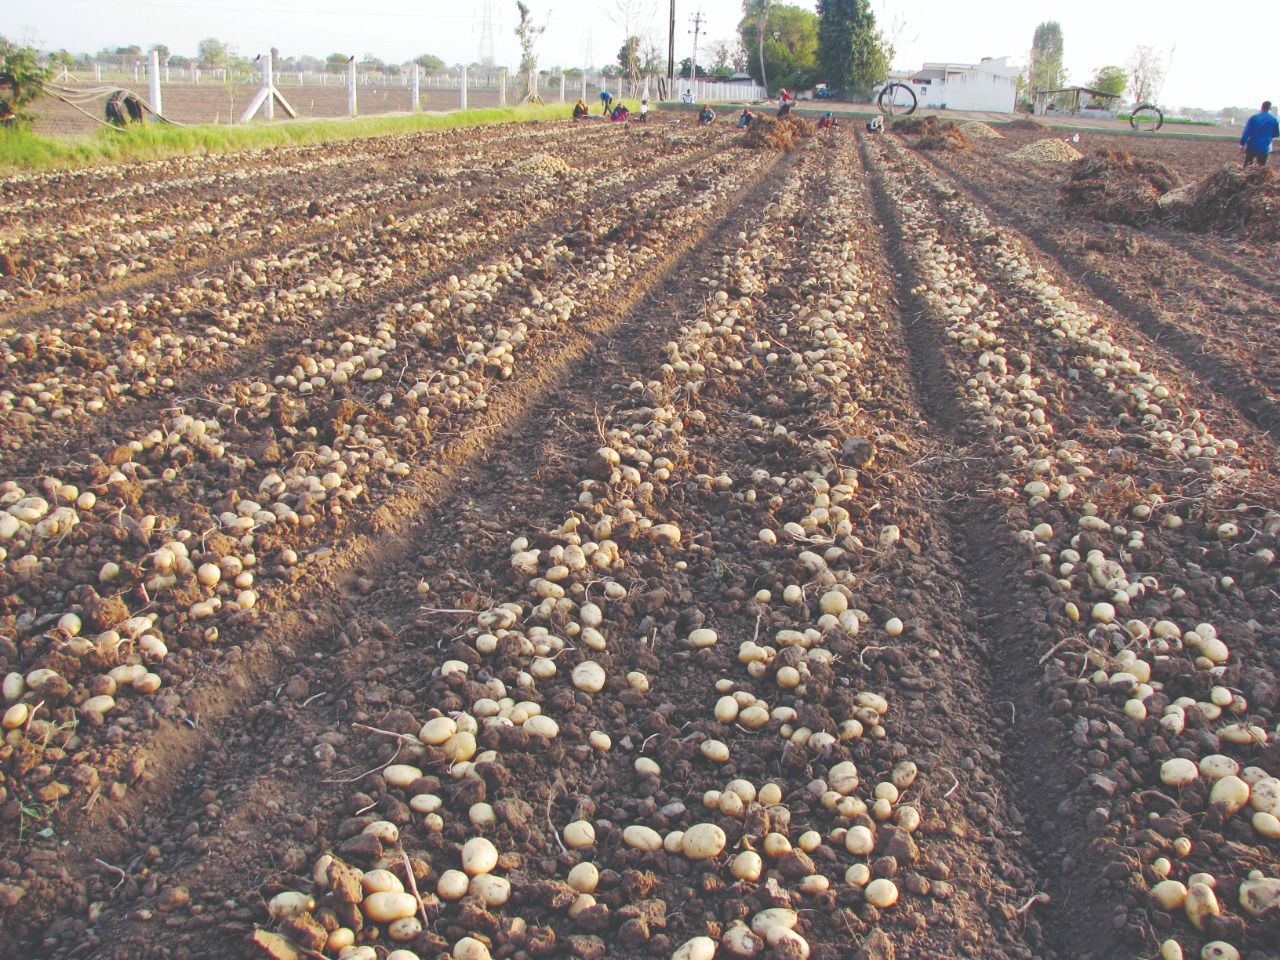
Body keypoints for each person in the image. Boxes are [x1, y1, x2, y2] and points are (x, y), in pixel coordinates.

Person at [1240, 100, 1280, 168]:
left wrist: (1242, 144)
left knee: (1247, 166)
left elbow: (1246, 132)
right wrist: (1268, 136)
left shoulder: (1253, 118)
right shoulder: (1274, 119)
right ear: (1270, 108)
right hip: (1264, 147)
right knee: (1261, 168)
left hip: (1252, 146)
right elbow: (1277, 134)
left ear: (1261, 107)